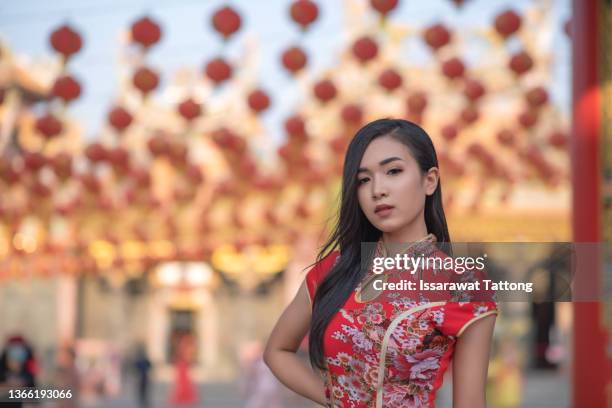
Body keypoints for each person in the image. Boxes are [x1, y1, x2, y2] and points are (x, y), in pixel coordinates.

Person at [264, 119, 498, 407]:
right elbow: (277, 350)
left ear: (430, 180)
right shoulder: (334, 271)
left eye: (393, 171)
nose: (377, 190)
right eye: (364, 179)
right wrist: (333, 398)